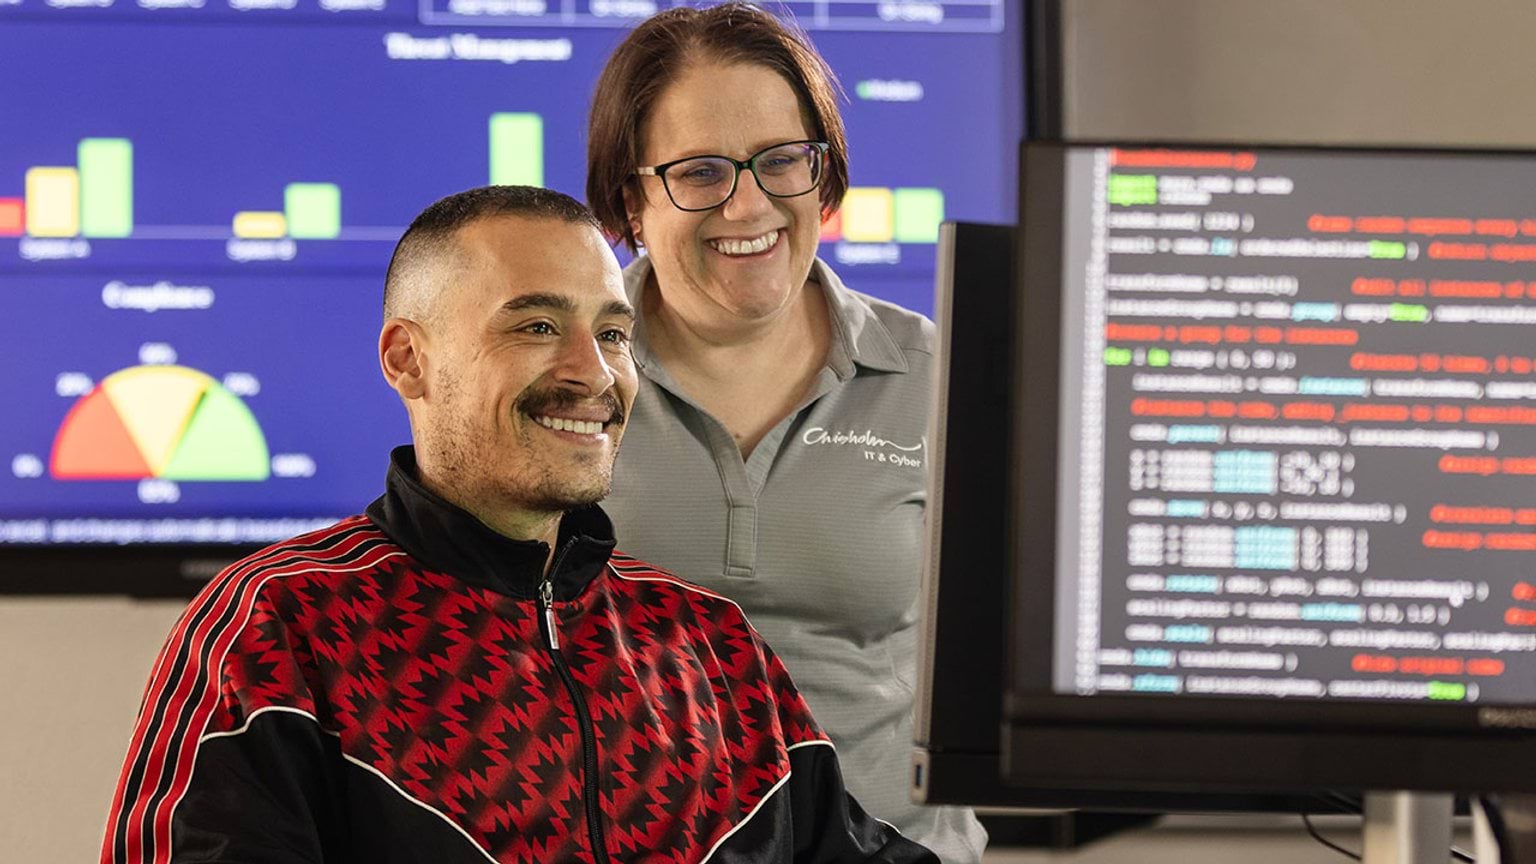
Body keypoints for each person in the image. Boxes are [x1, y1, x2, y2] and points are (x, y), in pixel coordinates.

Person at [99, 186, 937, 864]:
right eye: (536, 327)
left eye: (613, 333)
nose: (593, 373)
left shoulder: (710, 645)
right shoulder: (277, 628)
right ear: (406, 360)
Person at [586, 6, 986, 862]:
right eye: (700, 172)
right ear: (631, 198)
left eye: (781, 162)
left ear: (824, 174)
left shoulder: (939, 377)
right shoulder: (565, 379)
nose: (749, 203)